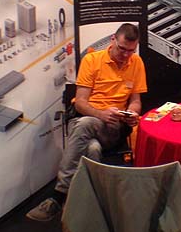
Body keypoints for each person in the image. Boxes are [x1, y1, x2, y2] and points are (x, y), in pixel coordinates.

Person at [26, 23, 147, 222]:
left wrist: (132, 113)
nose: (126, 55)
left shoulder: (137, 63)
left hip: (114, 127)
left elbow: (136, 101)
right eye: (122, 49)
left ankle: (59, 195)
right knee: (92, 148)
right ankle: (90, 205)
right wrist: (101, 114)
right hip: (86, 120)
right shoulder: (92, 60)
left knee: (85, 127)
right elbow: (81, 103)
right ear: (113, 40)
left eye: (131, 51)